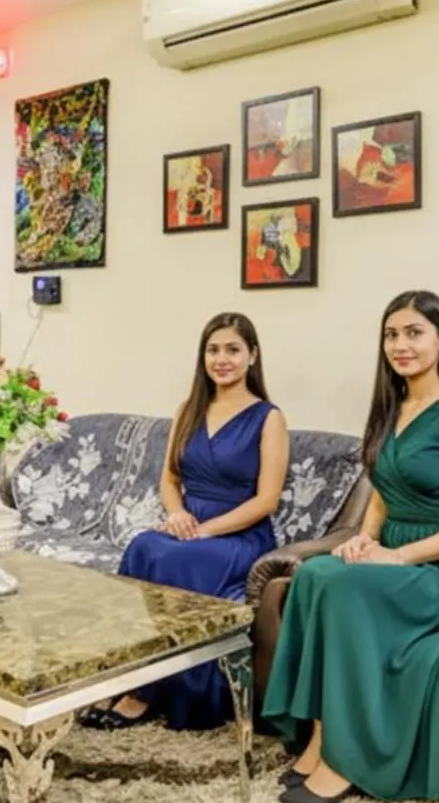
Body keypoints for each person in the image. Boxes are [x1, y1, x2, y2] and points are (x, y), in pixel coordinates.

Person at [261, 290, 439, 803]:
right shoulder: (393, 408)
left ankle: (345, 760)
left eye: (415, 333)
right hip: (397, 555)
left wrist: (397, 557)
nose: (401, 345)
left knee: (336, 584)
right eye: (392, 334)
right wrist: (365, 539)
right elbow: (383, 491)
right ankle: (320, 738)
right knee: (312, 574)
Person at [83, 312, 290, 730]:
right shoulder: (188, 411)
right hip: (189, 525)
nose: (222, 359)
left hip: (239, 534)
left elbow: (266, 500)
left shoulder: (269, 417)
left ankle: (150, 693)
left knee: (176, 560)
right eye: (213, 350)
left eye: (233, 349)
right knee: (143, 545)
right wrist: (177, 514)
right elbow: (169, 480)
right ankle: (130, 676)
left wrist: (205, 530)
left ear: (253, 355)